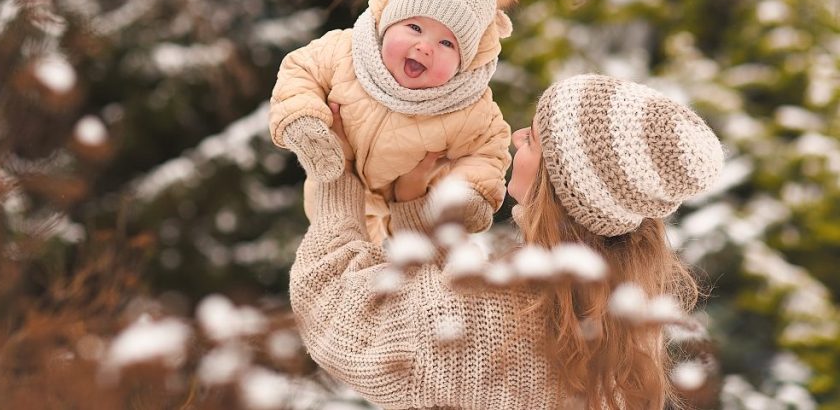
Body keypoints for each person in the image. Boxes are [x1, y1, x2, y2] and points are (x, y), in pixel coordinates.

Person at [289, 74, 723, 409]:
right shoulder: (614, 328)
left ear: (558, 186)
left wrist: (335, 171)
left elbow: (326, 303)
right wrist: (417, 207)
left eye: (532, 138)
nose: (517, 137)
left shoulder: (496, 319)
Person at [269, 0, 532, 243]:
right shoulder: (345, 52)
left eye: (447, 43)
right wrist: (305, 122)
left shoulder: (468, 108)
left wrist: (466, 195)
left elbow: (488, 152)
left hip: (411, 223)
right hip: (331, 200)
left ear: (465, 62)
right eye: (414, 27)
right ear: (388, 21)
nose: (425, 47)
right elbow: (299, 70)